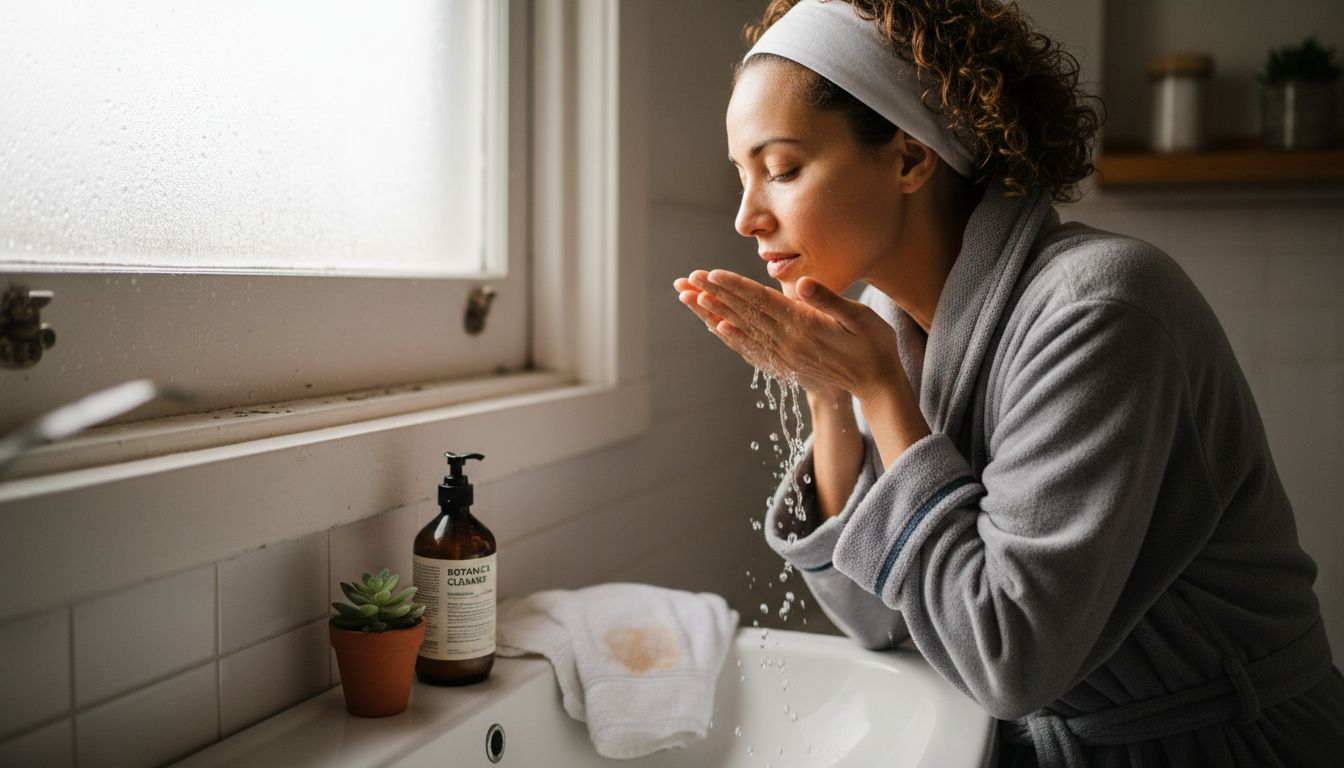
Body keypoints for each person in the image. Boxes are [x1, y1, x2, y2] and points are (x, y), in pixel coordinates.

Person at [672, 1, 1344, 765]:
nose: (745, 217)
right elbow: (880, 618)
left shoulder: (1101, 308)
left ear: (908, 156)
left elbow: (1006, 657)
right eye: (742, 175)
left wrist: (881, 393)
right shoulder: (893, 326)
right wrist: (831, 395)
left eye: (782, 169)